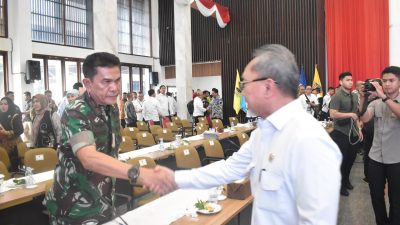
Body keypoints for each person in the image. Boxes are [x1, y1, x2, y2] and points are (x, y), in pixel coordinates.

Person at [154, 44, 342, 224]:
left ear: (268, 87)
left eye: (245, 84)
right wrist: (173, 178)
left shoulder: (309, 140)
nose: (242, 93)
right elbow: (229, 169)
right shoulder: (263, 133)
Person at [44, 52, 175, 225]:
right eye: (106, 81)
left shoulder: (110, 108)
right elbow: (89, 158)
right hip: (75, 208)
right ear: (88, 83)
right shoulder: (75, 111)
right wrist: (140, 174)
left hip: (104, 201)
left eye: (117, 80)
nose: (114, 87)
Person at [359, 66, 400, 225]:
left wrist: (383, 97)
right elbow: (364, 118)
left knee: (396, 199)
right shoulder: (376, 103)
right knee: (376, 197)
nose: (387, 84)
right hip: (375, 157)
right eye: (384, 81)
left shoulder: (384, 99)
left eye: (391, 80)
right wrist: (362, 99)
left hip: (396, 159)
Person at [329, 71, 363, 196]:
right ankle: (340, 185)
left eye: (351, 79)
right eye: (347, 80)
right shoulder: (337, 96)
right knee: (342, 160)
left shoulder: (354, 96)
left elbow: (357, 114)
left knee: (351, 160)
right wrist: (349, 114)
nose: (350, 82)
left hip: (353, 132)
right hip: (340, 132)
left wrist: (359, 129)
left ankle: (346, 180)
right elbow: (332, 114)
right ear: (341, 82)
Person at [0, 97, 23, 171]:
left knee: (13, 167)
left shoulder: (15, 115)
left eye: (5, 104)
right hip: (2, 144)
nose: (3, 106)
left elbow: (20, 130)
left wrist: (6, 132)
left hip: (13, 144)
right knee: (3, 167)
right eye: (1, 104)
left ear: (10, 105)